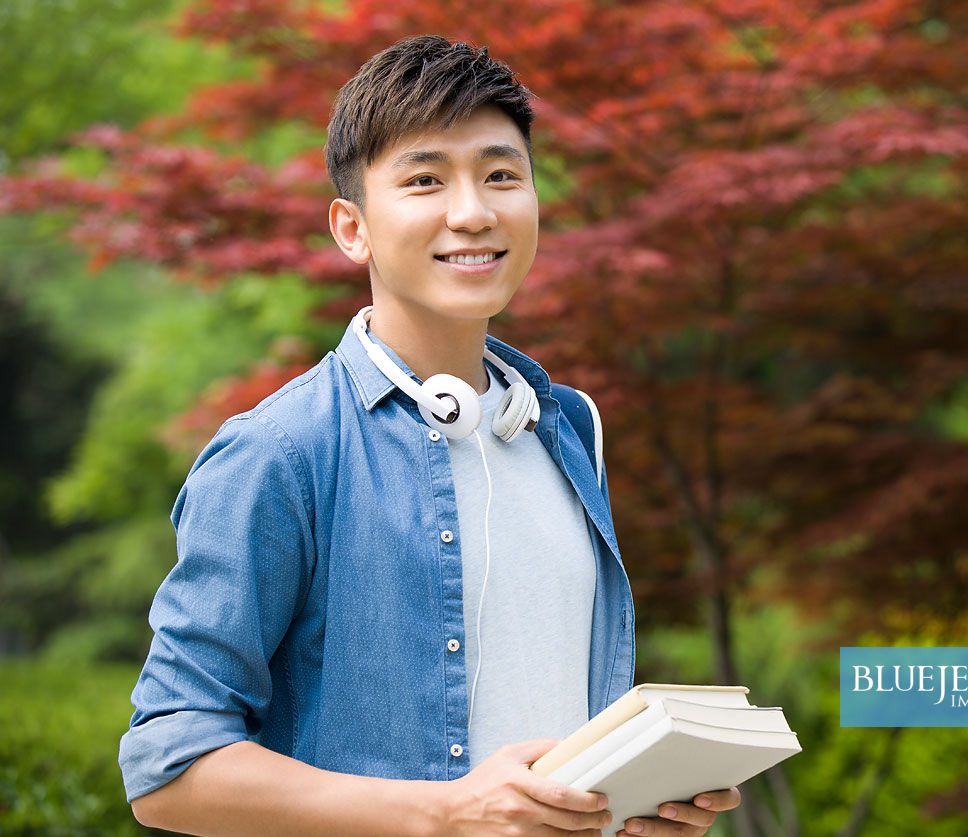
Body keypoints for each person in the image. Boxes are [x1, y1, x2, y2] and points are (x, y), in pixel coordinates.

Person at [120, 35, 741, 836]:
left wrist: (623, 803)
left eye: (500, 175)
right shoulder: (278, 452)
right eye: (423, 179)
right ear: (352, 228)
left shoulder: (568, 428)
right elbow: (168, 765)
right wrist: (448, 813)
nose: (473, 211)